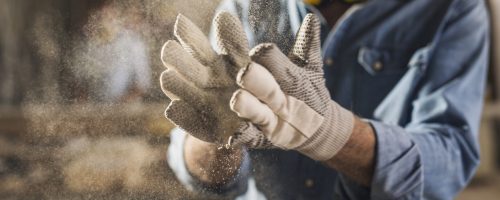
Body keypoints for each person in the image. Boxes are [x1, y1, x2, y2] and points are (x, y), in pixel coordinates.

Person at [163, 0, 490, 199]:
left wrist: (330, 134)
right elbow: (201, 171)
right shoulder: (248, 6)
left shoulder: (451, 7)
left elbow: (449, 161)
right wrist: (214, 140)